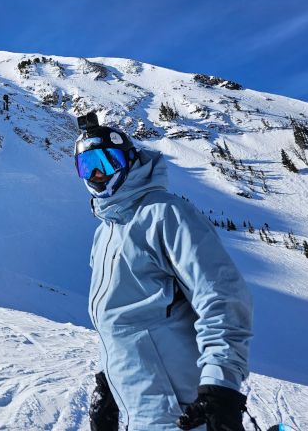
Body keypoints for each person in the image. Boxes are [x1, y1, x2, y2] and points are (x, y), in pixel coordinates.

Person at [74, 112, 253, 431]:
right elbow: (118, 322)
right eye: (87, 166)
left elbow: (221, 297)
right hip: (141, 414)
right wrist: (107, 384)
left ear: (129, 161)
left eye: (107, 162)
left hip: (185, 412)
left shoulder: (165, 214)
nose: (98, 174)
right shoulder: (105, 234)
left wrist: (220, 386)